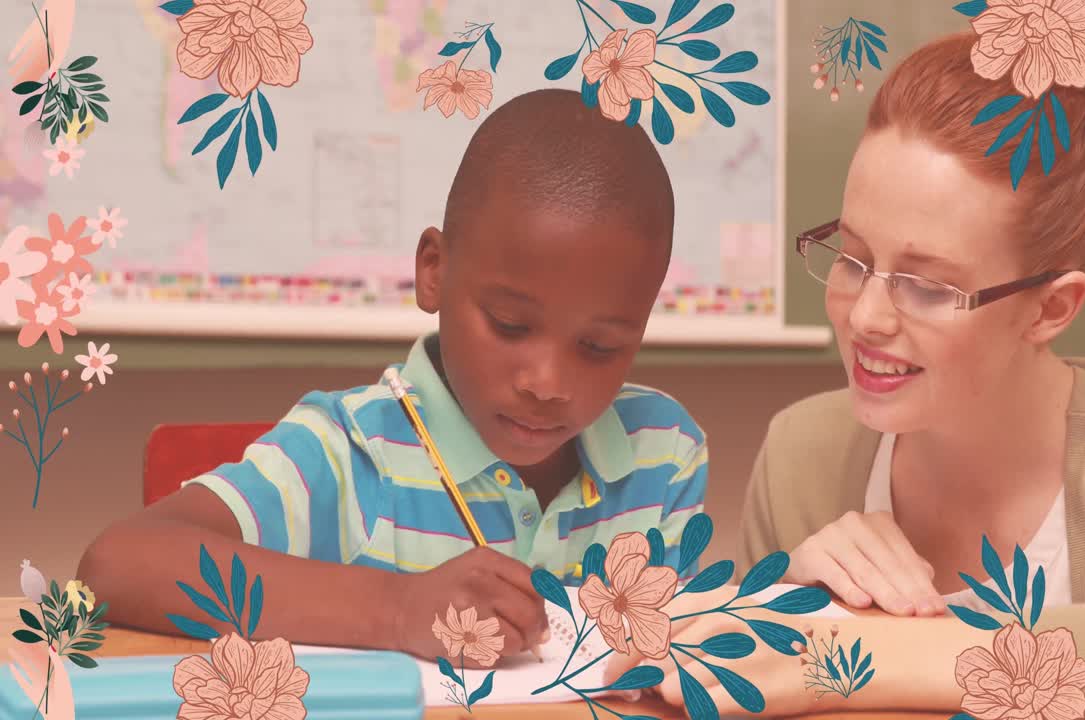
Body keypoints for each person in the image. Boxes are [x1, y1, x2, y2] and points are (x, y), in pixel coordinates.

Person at [606, 19, 1085, 720]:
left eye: (927, 286)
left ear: (1050, 309)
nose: (866, 316)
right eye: (852, 256)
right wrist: (776, 605)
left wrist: (865, 652)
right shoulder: (804, 456)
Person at [77, 88, 709, 666]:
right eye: (510, 324)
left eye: (600, 346)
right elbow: (118, 564)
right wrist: (397, 608)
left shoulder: (665, 454)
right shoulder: (351, 454)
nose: (547, 382)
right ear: (433, 271)